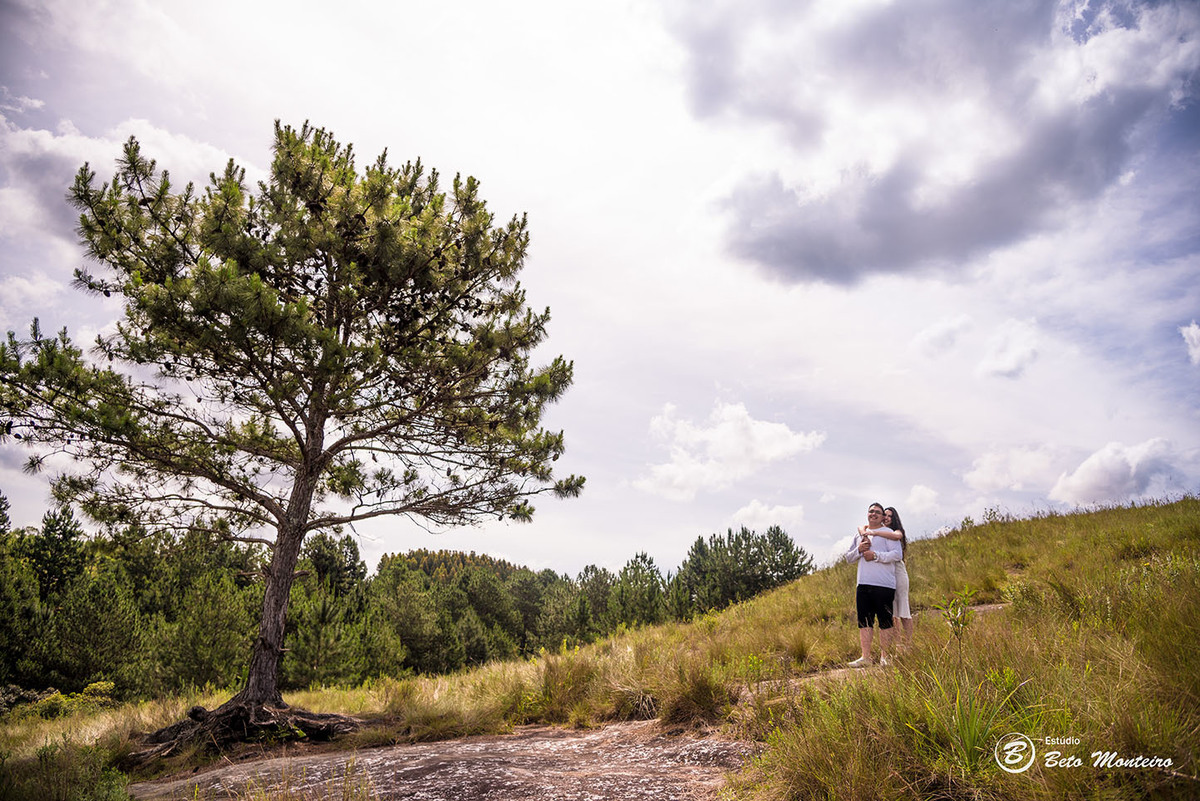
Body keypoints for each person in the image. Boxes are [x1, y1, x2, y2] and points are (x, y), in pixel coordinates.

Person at [845, 502, 903, 667]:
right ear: (867, 514)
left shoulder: (888, 533)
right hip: (863, 583)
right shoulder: (859, 536)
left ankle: (885, 657)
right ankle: (865, 657)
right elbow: (848, 558)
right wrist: (859, 550)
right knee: (864, 621)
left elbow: (897, 555)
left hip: (884, 584)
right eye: (871, 511)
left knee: (885, 621)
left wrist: (875, 555)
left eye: (877, 512)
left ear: (882, 516)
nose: (874, 514)